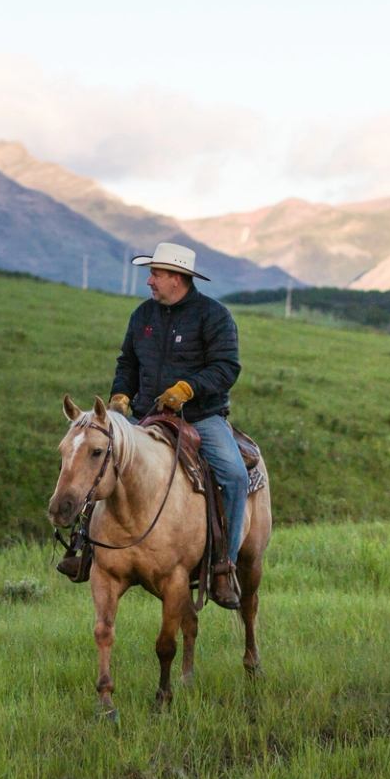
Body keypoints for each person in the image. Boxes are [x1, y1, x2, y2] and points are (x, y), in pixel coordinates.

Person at [109, 242, 247, 608]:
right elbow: (128, 362)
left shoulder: (214, 316)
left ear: (176, 277)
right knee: (103, 460)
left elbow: (226, 368)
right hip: (146, 415)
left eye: (155, 274)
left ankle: (223, 567)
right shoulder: (142, 316)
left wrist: (188, 388)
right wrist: (121, 395)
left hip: (201, 417)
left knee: (235, 476)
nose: (149, 282)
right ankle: (88, 552)